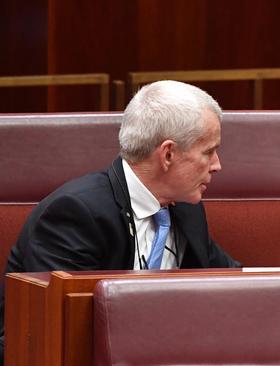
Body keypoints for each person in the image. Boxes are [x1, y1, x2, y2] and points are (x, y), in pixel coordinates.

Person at [0, 80, 240, 360]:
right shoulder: (75, 214)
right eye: (208, 151)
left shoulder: (185, 208)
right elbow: (58, 333)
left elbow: (230, 280)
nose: (217, 165)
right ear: (168, 154)